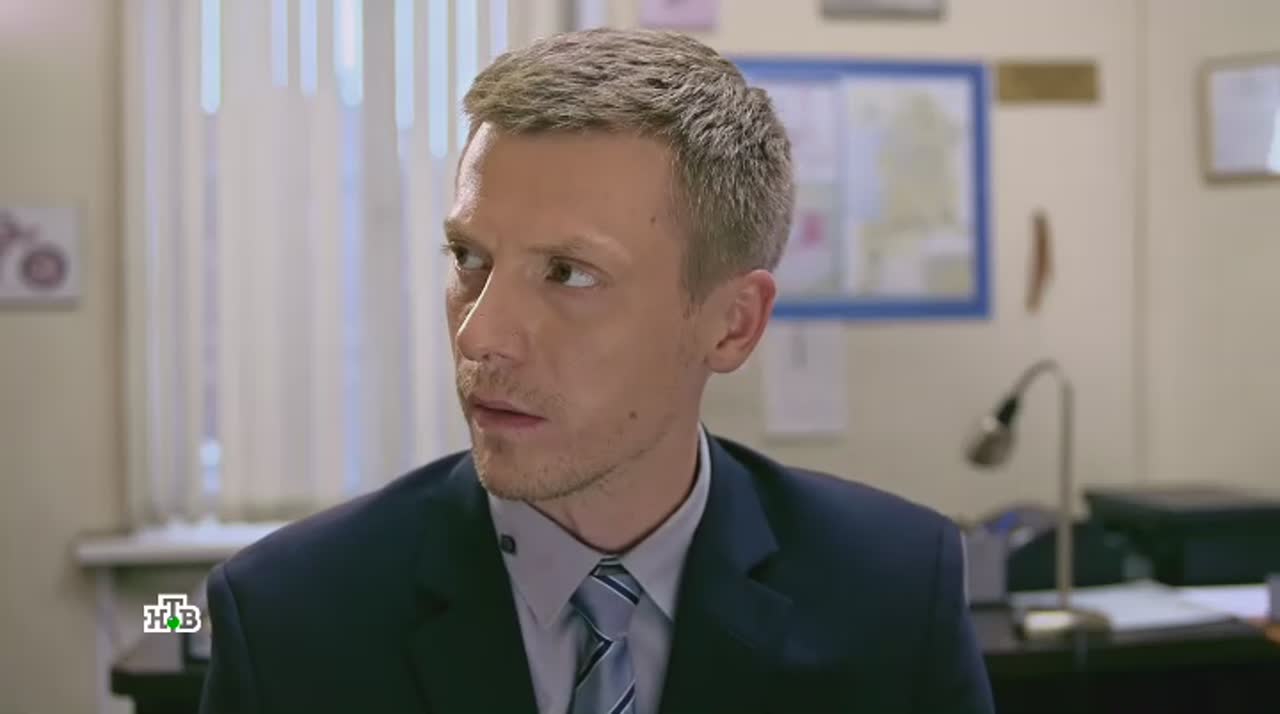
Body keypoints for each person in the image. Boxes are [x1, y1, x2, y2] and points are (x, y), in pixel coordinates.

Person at [199, 27, 993, 714]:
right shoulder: (287, 618)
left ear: (732, 324)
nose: (479, 336)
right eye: (470, 259)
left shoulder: (894, 593)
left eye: (568, 274)